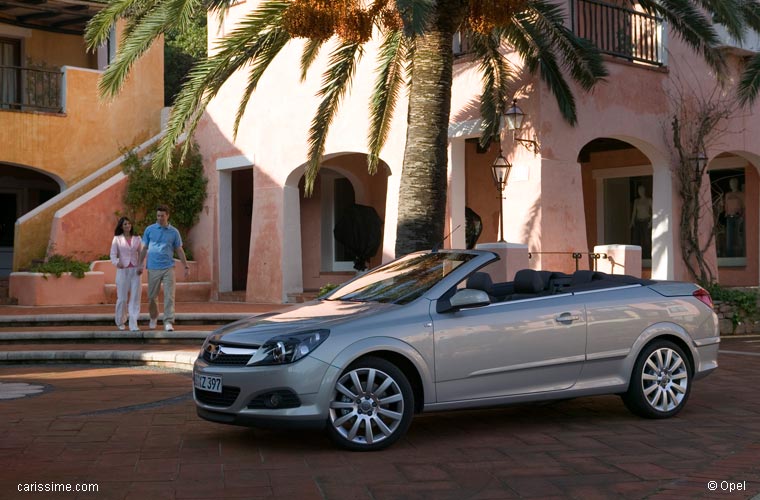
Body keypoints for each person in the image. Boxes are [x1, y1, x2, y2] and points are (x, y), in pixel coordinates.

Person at [137, 205, 190, 331]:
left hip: (168, 267)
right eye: (158, 216)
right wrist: (140, 264)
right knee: (151, 296)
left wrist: (186, 266)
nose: (160, 218)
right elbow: (144, 248)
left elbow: (179, 249)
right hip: (153, 267)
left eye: (162, 215)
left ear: (167, 216)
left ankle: (168, 321)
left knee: (169, 295)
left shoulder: (174, 232)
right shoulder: (149, 230)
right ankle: (154, 317)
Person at [110, 217, 142, 332]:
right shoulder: (117, 239)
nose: (127, 226)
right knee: (122, 298)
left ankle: (133, 323)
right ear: (121, 227)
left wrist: (141, 267)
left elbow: (142, 254)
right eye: (125, 224)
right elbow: (113, 254)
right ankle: (120, 321)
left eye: (129, 223)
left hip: (135, 271)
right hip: (123, 271)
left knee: (135, 297)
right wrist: (117, 263)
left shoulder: (137, 238)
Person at [723, 177, 745, 257]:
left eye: (734, 183)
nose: (732, 185)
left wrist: (742, 217)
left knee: (738, 237)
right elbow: (725, 206)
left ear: (737, 184)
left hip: (738, 217)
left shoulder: (741, 194)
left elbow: (744, 207)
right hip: (729, 218)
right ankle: (730, 255)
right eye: (731, 183)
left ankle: (740, 255)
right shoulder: (727, 195)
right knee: (729, 238)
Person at [629, 184, 652, 259]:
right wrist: (632, 222)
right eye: (639, 190)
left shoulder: (648, 200)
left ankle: (647, 257)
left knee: (646, 240)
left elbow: (654, 211)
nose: (640, 192)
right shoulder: (636, 201)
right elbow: (634, 212)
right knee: (636, 239)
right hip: (638, 221)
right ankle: (636, 256)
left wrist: (651, 222)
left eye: (641, 190)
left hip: (646, 221)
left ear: (644, 191)